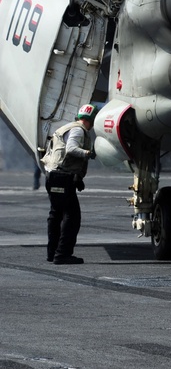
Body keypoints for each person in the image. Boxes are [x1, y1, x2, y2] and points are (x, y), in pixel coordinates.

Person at [40, 104, 98, 265]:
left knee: (56, 214)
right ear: (92, 119)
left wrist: (77, 178)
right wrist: (88, 153)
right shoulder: (79, 130)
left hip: (53, 175)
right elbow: (72, 149)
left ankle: (52, 253)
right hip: (61, 177)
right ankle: (63, 254)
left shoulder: (67, 127)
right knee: (72, 217)